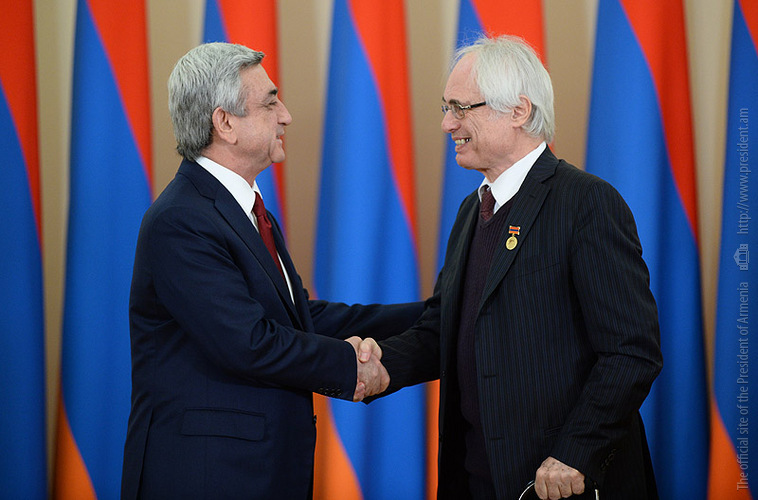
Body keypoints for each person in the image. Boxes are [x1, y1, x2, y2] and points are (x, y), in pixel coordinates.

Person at [366, 35, 663, 499]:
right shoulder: (472, 210)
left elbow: (631, 352)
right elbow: (442, 330)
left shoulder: (585, 202)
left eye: (461, 108)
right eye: (446, 107)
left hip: (559, 482)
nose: (447, 123)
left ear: (519, 111)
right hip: (475, 477)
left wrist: (575, 453)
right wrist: (372, 367)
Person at [121, 42, 422, 499]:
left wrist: (429, 316)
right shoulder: (180, 220)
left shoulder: (246, 210)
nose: (286, 116)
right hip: (208, 477)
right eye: (270, 103)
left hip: (256, 471)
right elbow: (250, 343)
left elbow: (300, 318)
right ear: (225, 123)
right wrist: (352, 367)